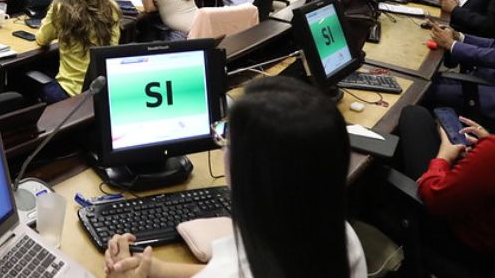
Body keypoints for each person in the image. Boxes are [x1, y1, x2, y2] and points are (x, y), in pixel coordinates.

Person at [105, 76, 367, 278]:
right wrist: (160, 270)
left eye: (226, 138)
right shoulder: (339, 235)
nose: (223, 146)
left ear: (251, 171)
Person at [397, 105, 495, 263]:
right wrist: (485, 145)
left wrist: (443, 157)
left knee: (414, 115)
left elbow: (435, 200)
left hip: (470, 246)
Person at [35, 0, 121, 102]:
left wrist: (45, 22)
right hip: (102, 90)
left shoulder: (61, 8)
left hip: (69, 92)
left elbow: (42, 40)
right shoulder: (111, 7)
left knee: (23, 80)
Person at [428, 23, 495, 115]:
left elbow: (489, 57)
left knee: (426, 89)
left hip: (489, 95)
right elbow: (492, 44)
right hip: (483, 78)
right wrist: (459, 36)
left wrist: (451, 44)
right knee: (428, 79)